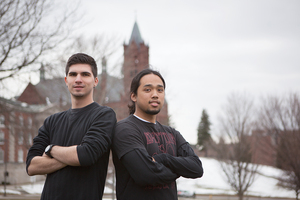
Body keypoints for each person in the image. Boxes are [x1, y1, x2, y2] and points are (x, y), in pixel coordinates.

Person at [26, 53, 116, 200]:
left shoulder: (104, 115)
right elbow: (31, 166)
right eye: (73, 74)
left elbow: (86, 155)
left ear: (95, 81)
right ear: (66, 80)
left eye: (85, 74)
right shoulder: (51, 121)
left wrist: (50, 149)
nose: (78, 79)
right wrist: (74, 156)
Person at [112, 68, 203, 200]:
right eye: (147, 89)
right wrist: (180, 170)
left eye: (160, 90)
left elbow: (196, 168)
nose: (155, 94)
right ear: (134, 96)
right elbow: (146, 175)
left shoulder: (172, 133)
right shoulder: (124, 129)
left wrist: (164, 159)